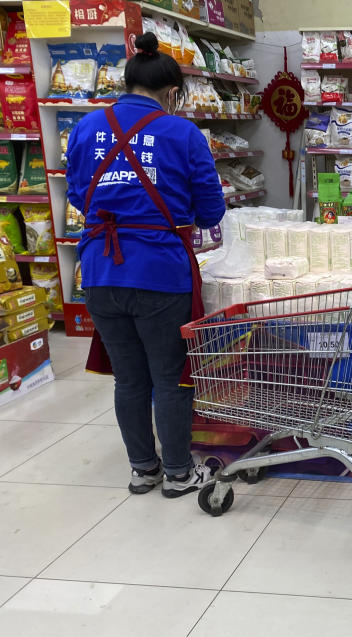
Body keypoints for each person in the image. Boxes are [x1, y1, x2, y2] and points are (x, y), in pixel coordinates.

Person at [66, 33, 225, 498]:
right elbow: (211, 210)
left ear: (127, 82)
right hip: (159, 271)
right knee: (170, 374)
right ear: (172, 91)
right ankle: (178, 473)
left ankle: (143, 469)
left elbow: (79, 196)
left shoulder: (84, 128)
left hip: (98, 271)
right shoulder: (182, 133)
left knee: (129, 377)